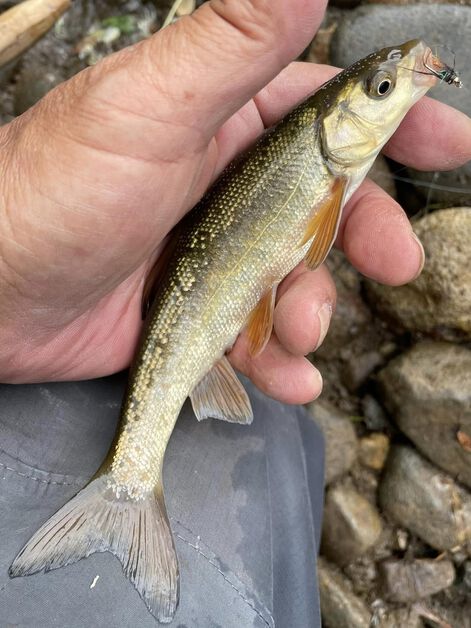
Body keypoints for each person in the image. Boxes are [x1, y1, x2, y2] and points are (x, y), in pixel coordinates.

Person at [0, 0, 469, 626]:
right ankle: (127, 486)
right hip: (172, 314)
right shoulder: (321, 169)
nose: (400, 83)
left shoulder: (323, 157)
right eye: (383, 89)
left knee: (285, 357)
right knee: (283, 416)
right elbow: (318, 234)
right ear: (337, 123)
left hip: (141, 319)